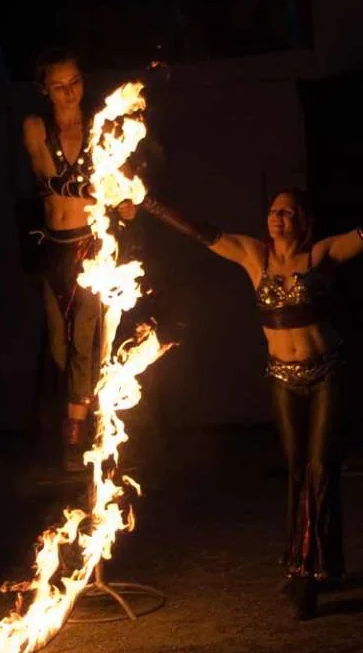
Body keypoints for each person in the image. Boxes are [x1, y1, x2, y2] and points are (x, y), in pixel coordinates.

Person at [145, 188, 363, 620]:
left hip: (326, 376)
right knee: (299, 468)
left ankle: (307, 578)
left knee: (320, 469)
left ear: (303, 220)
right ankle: (320, 563)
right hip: (282, 379)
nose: (276, 217)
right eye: (272, 210)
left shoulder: (322, 255)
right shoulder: (252, 255)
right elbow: (202, 233)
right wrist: (148, 200)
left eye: (287, 212)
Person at [22, 48, 137, 473]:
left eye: (75, 82)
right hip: (54, 248)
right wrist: (97, 189)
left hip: (91, 246)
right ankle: (73, 416)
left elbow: (120, 187)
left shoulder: (100, 128)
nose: (69, 92)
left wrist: (127, 204)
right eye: (59, 86)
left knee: (86, 337)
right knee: (59, 343)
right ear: (45, 89)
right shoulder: (36, 127)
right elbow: (46, 178)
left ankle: (77, 436)